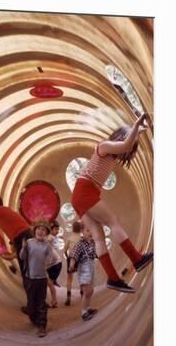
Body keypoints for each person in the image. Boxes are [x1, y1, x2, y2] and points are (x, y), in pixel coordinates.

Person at [71, 113, 153, 293]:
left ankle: (113, 279)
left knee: (99, 236)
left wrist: (139, 132)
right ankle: (136, 259)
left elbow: (126, 145)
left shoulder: (112, 154)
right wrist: (136, 125)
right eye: (130, 141)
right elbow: (125, 145)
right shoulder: (104, 146)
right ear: (121, 137)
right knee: (113, 222)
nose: (128, 150)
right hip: (85, 190)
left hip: (81, 193)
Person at [20, 222, 54, 337]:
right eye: (39, 229)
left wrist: (47, 264)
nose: (40, 231)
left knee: (41, 303)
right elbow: (22, 257)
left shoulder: (47, 245)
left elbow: (51, 258)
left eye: (44, 230)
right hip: (30, 278)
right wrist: (24, 248)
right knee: (31, 303)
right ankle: (33, 318)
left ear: (46, 233)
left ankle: (42, 326)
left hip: (42, 278)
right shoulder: (29, 243)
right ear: (34, 231)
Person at [68, 223, 98, 321]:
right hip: (84, 268)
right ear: (82, 232)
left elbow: (95, 254)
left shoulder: (92, 242)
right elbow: (74, 255)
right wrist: (72, 264)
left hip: (91, 266)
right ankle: (84, 312)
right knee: (86, 291)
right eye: (87, 231)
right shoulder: (80, 244)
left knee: (91, 290)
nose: (90, 233)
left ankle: (88, 308)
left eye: (91, 231)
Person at [63, 220, 83, 306]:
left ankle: (68, 295)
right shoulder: (81, 239)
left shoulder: (69, 238)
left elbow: (64, 250)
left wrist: (68, 257)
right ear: (80, 229)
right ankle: (82, 294)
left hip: (71, 258)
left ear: (72, 229)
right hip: (79, 259)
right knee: (81, 276)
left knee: (69, 278)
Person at [45, 220, 63, 307]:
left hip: (55, 264)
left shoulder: (51, 237)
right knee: (48, 283)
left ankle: (54, 301)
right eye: (55, 229)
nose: (57, 231)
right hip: (51, 265)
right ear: (50, 229)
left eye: (58, 229)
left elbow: (45, 240)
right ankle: (52, 300)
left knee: (49, 283)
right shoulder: (51, 237)